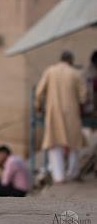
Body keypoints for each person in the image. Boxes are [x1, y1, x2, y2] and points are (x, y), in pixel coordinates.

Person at [35, 51, 87, 184]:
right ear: (70, 60)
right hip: (72, 112)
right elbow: (83, 95)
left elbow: (39, 91)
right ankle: (73, 173)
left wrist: (38, 106)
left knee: (54, 143)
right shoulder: (75, 73)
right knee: (74, 143)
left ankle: (59, 177)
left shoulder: (50, 71)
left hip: (54, 112)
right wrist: (82, 105)